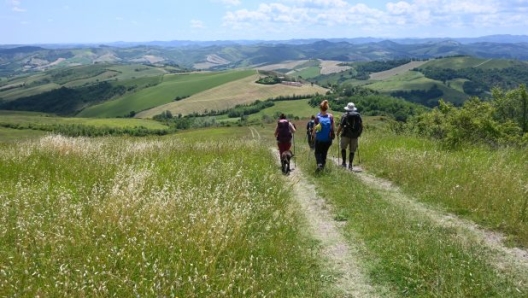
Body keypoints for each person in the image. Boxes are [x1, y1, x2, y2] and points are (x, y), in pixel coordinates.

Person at [336, 102, 363, 170]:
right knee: (352, 151)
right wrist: (359, 133)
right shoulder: (358, 115)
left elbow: (341, 125)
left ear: (347, 108)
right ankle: (350, 165)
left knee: (343, 148)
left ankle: (344, 163)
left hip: (345, 135)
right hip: (354, 136)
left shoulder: (345, 115)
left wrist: (337, 133)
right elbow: (361, 125)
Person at [312, 100, 335, 172]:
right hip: (328, 139)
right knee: (324, 153)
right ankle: (323, 167)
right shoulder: (331, 117)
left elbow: (314, 129)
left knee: (317, 152)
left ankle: (319, 164)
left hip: (319, 139)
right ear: (327, 108)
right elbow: (333, 128)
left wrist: (313, 135)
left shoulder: (317, 118)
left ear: (320, 108)